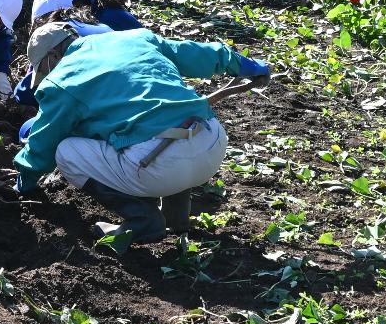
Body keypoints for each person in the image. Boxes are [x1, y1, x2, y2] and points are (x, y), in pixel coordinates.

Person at [14, 25, 269, 250]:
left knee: (66, 151)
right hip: (212, 143)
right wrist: (242, 64)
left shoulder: (60, 81)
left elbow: (44, 143)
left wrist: (25, 181)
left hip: (161, 167)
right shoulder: (134, 38)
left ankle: (143, 220)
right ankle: (176, 217)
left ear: (52, 57)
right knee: (170, 123)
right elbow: (196, 53)